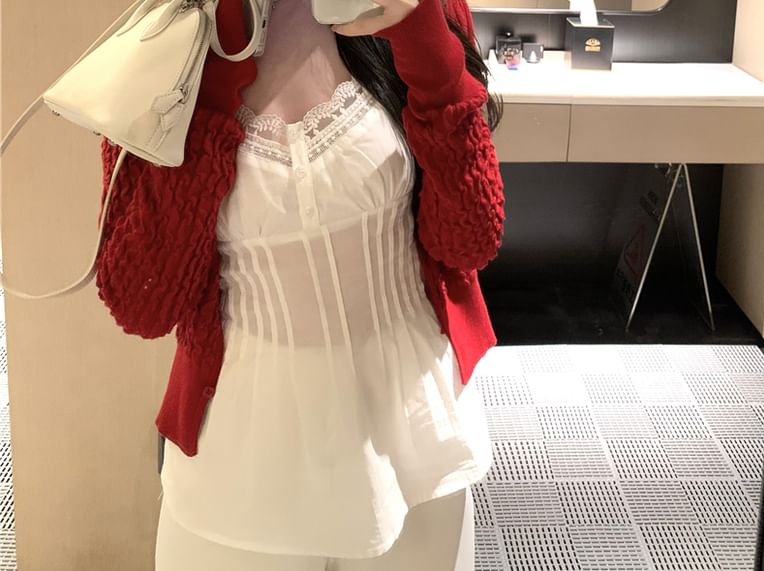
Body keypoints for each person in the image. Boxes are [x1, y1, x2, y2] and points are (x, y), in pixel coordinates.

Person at [94, 0, 505, 568]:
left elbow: (471, 240)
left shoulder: (409, 4)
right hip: (241, 452)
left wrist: (424, 41)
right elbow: (141, 304)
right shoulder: (168, 38)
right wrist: (206, 69)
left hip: (414, 434)